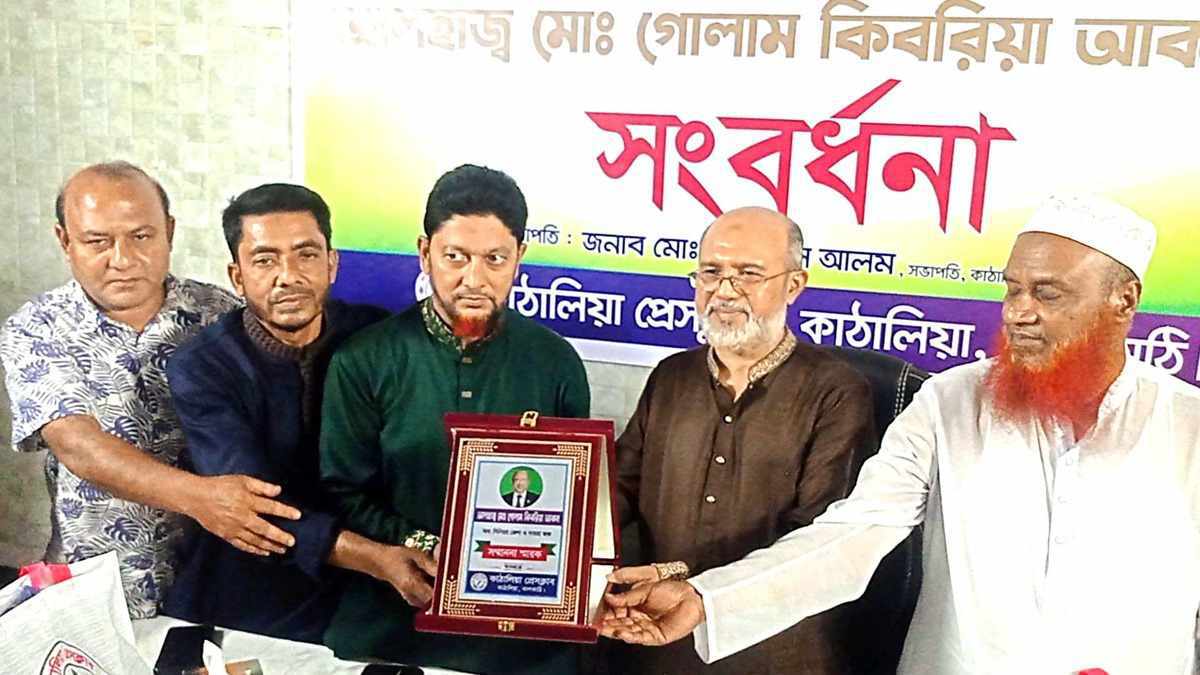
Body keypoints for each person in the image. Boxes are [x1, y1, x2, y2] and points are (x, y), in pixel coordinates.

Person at [601, 195, 1200, 674]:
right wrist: (707, 600)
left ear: (1124, 300)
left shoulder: (1186, 423)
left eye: (1047, 293)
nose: (1018, 311)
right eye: (1012, 288)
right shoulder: (951, 401)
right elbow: (852, 535)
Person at [319, 164, 590, 673]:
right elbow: (342, 492)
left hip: (520, 622)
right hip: (395, 610)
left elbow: (572, 503)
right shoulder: (365, 359)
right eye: (455, 257)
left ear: (520, 257)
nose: (474, 279)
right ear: (425, 253)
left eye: (495, 259)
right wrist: (424, 546)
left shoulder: (555, 362)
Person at [0, 162, 300, 618]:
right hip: (99, 588)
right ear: (65, 241)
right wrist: (202, 498)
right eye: (98, 242)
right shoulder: (37, 328)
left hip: (218, 585)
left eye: (141, 236)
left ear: (169, 232)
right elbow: (77, 445)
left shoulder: (221, 314)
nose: (122, 259)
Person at [162, 183, 434, 643]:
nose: (288, 276)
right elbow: (255, 512)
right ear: (237, 276)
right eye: (265, 260)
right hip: (249, 596)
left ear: (332, 263)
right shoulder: (202, 367)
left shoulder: (375, 335)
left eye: (306, 255)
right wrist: (376, 558)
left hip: (370, 589)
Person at [609, 206, 875, 674]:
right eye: (711, 272)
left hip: (773, 649)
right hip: (656, 641)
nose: (725, 291)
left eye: (748, 274)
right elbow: (618, 490)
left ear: (794, 285)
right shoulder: (671, 377)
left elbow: (819, 538)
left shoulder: (836, 392)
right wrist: (550, 544)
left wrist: (680, 576)